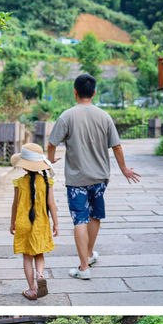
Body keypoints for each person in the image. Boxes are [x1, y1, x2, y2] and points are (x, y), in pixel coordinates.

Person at [47, 73, 141, 280]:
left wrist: (50, 160)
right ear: (94, 92)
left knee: (80, 219)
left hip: (76, 180)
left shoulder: (67, 116)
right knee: (95, 215)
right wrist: (124, 169)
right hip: (100, 178)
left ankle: (84, 266)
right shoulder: (104, 116)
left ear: (75, 92)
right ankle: (88, 254)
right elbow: (116, 146)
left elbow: (52, 143)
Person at [10, 142, 59, 301]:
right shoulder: (47, 182)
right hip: (41, 224)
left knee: (27, 257)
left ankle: (32, 289)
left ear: (24, 166)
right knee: (39, 253)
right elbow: (52, 204)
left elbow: (15, 205)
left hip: (24, 224)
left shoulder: (19, 182)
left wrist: (12, 223)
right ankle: (40, 274)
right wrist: (56, 223)